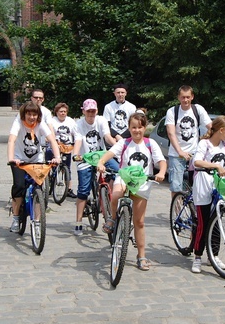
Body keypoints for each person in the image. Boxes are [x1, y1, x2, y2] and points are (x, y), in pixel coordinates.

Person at [96, 112, 166, 271]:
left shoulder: (150, 143)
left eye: (140, 127)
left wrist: (161, 172)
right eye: (133, 127)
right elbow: (110, 154)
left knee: (139, 222)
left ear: (144, 127)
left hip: (142, 183)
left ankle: (141, 255)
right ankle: (113, 219)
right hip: (124, 178)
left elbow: (161, 161)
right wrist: (101, 162)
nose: (137, 130)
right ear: (129, 128)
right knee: (116, 193)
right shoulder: (125, 143)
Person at [190, 116, 225, 274]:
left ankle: (214, 254)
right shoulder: (205, 143)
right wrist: (215, 166)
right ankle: (197, 256)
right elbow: (197, 162)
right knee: (203, 222)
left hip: (219, 185)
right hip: (204, 184)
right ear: (221, 130)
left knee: (217, 221)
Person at [7, 101, 61, 232]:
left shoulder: (40, 124)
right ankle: (15, 217)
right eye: (29, 114)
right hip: (20, 160)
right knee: (19, 186)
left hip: (37, 159)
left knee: (39, 189)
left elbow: (52, 140)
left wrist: (57, 157)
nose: (32, 117)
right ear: (24, 114)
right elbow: (11, 140)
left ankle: (37, 222)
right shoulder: (18, 123)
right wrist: (11, 159)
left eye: (34, 115)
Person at [72, 99, 118, 236]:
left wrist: (117, 145)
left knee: (118, 171)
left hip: (101, 155)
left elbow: (107, 137)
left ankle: (105, 194)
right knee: (83, 191)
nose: (91, 113)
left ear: (97, 111)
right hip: (85, 157)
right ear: (83, 111)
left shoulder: (101, 120)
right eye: (88, 111)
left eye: (93, 111)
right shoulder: (78, 124)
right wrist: (75, 154)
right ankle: (78, 222)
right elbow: (78, 141)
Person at [164, 85, 212, 200]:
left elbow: (210, 126)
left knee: (199, 182)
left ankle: (196, 209)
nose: (185, 100)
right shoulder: (172, 111)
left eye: (188, 97)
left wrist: (208, 137)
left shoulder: (197, 109)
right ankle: (177, 213)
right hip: (176, 153)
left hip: (195, 152)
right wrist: (180, 151)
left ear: (192, 97)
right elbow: (171, 133)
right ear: (178, 98)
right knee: (176, 186)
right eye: (183, 97)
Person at [48, 102, 78, 198]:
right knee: (50, 165)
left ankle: (68, 189)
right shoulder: (52, 121)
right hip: (54, 146)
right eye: (61, 111)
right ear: (56, 112)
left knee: (67, 169)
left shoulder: (71, 121)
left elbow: (75, 133)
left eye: (65, 111)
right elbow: (49, 134)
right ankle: (49, 182)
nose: (63, 113)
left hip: (67, 147)